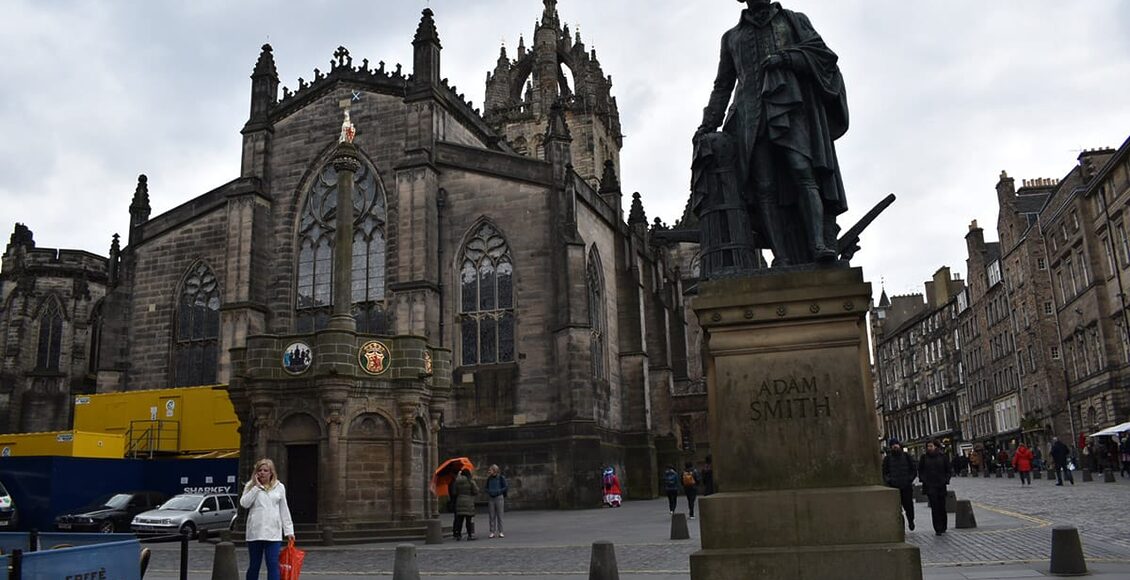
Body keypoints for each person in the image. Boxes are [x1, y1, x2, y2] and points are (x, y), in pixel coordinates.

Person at [695, 0, 849, 266]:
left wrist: (787, 58)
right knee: (762, 186)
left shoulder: (792, 20)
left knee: (803, 171)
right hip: (749, 117)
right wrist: (708, 124)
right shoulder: (732, 37)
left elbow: (823, 57)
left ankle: (818, 245)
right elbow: (723, 85)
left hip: (790, 107)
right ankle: (782, 256)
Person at [240, 458, 295, 580]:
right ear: (256, 472)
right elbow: (244, 503)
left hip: (273, 532)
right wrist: (256, 487)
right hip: (255, 532)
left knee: (273, 564)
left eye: (266, 470)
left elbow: (284, 509)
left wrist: (289, 531)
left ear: (271, 472)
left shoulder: (279, 487)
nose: (262, 473)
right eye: (260, 470)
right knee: (254, 565)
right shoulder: (250, 486)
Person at [881, 438, 917, 531]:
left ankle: (911, 520)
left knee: (909, 506)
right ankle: (901, 526)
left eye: (896, 444)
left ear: (899, 445)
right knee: (897, 508)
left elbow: (913, 469)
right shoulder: (887, 459)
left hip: (906, 486)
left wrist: (909, 479)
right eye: (893, 445)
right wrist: (889, 481)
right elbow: (884, 472)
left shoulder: (906, 456)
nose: (895, 446)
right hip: (894, 487)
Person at [917, 440, 951, 536]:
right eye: (928, 446)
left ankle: (944, 525)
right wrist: (923, 480)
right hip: (930, 485)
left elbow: (948, 469)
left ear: (935, 446)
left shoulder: (942, 457)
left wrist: (946, 480)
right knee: (934, 507)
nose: (929, 448)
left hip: (941, 485)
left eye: (931, 446)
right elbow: (920, 470)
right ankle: (937, 528)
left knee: (942, 506)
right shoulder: (924, 458)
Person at [451, 468, 478, 541]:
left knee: (460, 520)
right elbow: (476, 491)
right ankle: (469, 535)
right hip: (468, 501)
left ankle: (458, 535)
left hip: (459, 501)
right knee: (468, 520)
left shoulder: (457, 481)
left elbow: (454, 492)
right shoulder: (470, 481)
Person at [484, 464, 508, 539]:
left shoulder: (501, 478)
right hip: (491, 497)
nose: (489, 471)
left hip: (499, 497)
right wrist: (489, 491)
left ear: (494, 470)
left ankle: (501, 531)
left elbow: (506, 487)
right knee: (491, 516)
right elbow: (485, 488)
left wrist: (499, 491)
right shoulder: (489, 479)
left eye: (490, 470)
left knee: (500, 515)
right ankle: (492, 531)